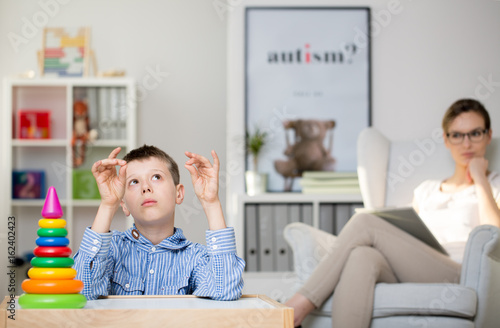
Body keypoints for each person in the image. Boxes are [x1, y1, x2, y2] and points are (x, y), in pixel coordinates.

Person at [285, 98, 500, 328]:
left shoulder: (493, 185)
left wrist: (480, 179)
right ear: (446, 140)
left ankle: (293, 309)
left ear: (488, 135)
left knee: (365, 222)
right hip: (414, 266)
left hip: (459, 272)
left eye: (475, 133)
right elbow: (408, 235)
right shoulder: (425, 189)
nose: (466, 143)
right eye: (457, 135)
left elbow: (495, 238)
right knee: (361, 256)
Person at [73, 145, 245, 301]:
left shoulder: (195, 257)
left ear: (178, 194)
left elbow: (225, 291)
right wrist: (108, 204)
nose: (145, 187)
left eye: (156, 177)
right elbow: (82, 292)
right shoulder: (112, 250)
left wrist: (211, 202)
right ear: (123, 204)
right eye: (134, 182)